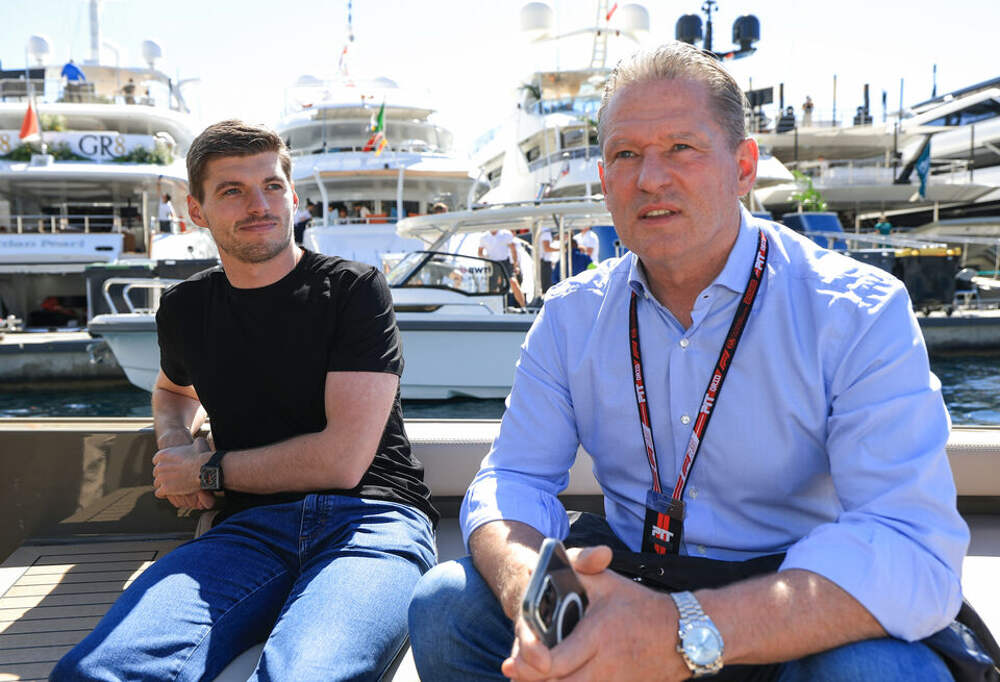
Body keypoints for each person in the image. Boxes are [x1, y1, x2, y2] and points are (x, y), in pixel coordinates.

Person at [409, 42, 971, 682]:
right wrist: (536, 594)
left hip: (788, 594)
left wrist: (678, 628)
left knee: (880, 671)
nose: (650, 178)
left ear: (743, 167)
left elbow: (910, 547)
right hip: (631, 574)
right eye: (626, 154)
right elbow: (512, 477)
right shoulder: (570, 316)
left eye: (681, 147)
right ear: (605, 182)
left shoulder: (856, 312)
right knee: (446, 609)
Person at [53, 120, 437, 681]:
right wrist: (175, 445)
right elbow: (172, 390)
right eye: (233, 190)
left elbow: (342, 460)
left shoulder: (353, 290)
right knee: (93, 673)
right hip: (249, 528)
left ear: (293, 196)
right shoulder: (185, 308)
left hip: (370, 521)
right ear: (196, 210)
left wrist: (206, 472)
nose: (259, 205)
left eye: (272, 186)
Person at [479, 228, 527, 308]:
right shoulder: (484, 237)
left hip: (505, 262)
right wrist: (486, 257)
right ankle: (493, 308)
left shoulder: (506, 234)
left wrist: (516, 265)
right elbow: (480, 252)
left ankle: (524, 307)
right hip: (493, 263)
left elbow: (513, 249)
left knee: (513, 282)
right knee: (493, 288)